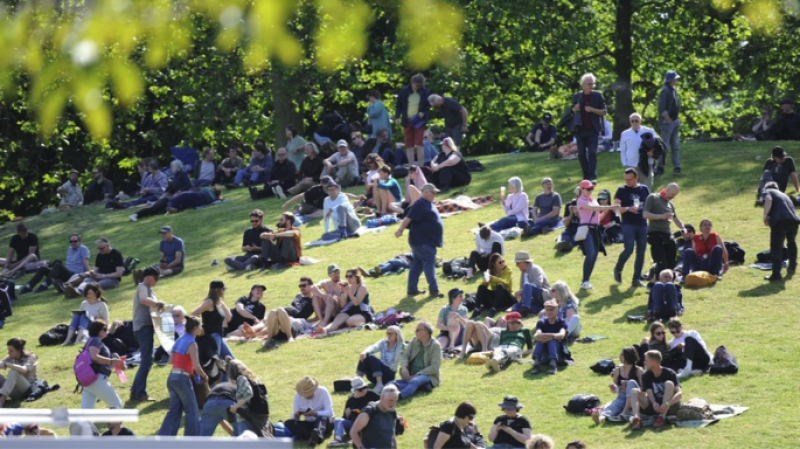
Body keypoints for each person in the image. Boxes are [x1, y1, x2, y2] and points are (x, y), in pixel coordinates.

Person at [157, 315, 207, 436]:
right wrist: (204, 376)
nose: (201, 329)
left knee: (174, 411)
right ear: (195, 328)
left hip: (172, 378)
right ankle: (192, 439)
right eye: (200, 326)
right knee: (192, 411)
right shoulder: (192, 343)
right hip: (182, 379)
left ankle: (164, 438)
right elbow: (196, 366)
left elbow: (170, 361)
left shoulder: (180, 339)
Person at [396, 183, 444, 298]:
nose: (435, 195)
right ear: (426, 192)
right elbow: (408, 218)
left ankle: (412, 289)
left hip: (421, 241)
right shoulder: (420, 204)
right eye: (433, 192)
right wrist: (400, 230)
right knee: (429, 263)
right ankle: (434, 290)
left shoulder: (426, 203)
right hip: (422, 242)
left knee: (417, 265)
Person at [130, 267, 164, 403]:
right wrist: (158, 303)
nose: (157, 281)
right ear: (149, 277)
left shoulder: (149, 290)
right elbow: (144, 300)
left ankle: (134, 391)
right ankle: (140, 393)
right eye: (156, 278)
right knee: (147, 360)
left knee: (146, 359)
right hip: (143, 327)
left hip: (147, 327)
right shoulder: (142, 287)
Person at [613, 168, 651, 287]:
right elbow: (616, 208)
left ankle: (636, 279)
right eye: (625, 179)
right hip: (628, 223)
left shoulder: (644, 189)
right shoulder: (621, 190)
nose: (627, 182)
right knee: (629, 248)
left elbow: (650, 205)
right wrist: (628, 208)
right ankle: (618, 268)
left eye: (630, 180)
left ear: (636, 177)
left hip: (642, 224)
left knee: (641, 251)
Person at [20, 233, 90, 295]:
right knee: (43, 269)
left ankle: (45, 285)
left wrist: (87, 276)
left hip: (74, 275)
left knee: (57, 265)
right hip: (67, 273)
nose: (73, 243)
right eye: (71, 241)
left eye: (75, 241)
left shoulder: (83, 249)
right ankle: (28, 287)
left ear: (80, 241)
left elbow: (86, 263)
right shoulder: (70, 248)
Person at [576, 179, 615, 290]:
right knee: (591, 253)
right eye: (588, 189)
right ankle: (585, 281)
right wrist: (610, 207)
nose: (590, 190)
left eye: (591, 188)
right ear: (582, 189)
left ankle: (586, 280)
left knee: (595, 254)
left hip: (595, 228)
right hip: (586, 228)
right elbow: (595, 208)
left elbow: (598, 217)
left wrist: (607, 210)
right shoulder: (581, 201)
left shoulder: (592, 199)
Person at [630, 350, 683, 430]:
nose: (644, 362)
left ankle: (662, 417)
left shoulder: (669, 373)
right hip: (655, 408)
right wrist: (654, 403)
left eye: (646, 360)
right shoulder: (646, 375)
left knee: (669, 383)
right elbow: (649, 393)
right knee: (634, 391)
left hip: (670, 406)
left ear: (654, 362)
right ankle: (636, 419)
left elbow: (679, 394)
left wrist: (667, 404)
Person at [389, 321, 441, 400]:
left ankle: (398, 397)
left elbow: (435, 367)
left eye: (417, 330)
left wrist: (418, 374)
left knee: (415, 382)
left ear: (426, 332)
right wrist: (404, 367)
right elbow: (405, 355)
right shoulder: (414, 341)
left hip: (427, 375)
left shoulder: (435, 346)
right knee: (392, 383)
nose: (415, 332)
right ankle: (421, 386)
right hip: (411, 375)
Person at [570, 73, 607, 181]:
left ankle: (592, 175)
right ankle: (585, 175)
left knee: (592, 153)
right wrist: (574, 108)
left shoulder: (598, 95)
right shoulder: (577, 96)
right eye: (589, 84)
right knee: (581, 154)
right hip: (580, 129)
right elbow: (572, 109)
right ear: (583, 84)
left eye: (592, 83)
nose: (591, 86)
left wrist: (592, 109)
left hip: (593, 129)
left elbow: (604, 112)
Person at [643, 182, 685, 279]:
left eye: (675, 195)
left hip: (667, 234)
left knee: (671, 258)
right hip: (654, 233)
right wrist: (662, 216)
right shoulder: (653, 198)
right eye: (673, 194)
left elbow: (675, 218)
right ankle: (657, 282)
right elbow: (645, 214)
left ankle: (668, 281)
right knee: (661, 260)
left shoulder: (670, 204)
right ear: (667, 190)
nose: (673, 197)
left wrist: (683, 228)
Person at [592, 346, 643, 425]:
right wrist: (613, 388)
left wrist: (630, 387)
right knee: (613, 406)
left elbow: (643, 389)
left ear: (628, 356)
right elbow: (615, 390)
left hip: (635, 398)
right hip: (622, 397)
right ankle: (600, 419)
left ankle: (624, 412)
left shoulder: (638, 370)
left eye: (622, 355)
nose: (619, 356)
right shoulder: (617, 370)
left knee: (631, 382)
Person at [80, 319, 124, 409]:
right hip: (97, 380)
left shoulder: (90, 341)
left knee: (85, 413)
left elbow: (98, 363)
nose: (106, 331)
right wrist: (111, 361)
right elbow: (94, 357)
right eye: (105, 329)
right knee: (117, 404)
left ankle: (81, 423)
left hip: (88, 381)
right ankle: (114, 423)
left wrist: (114, 364)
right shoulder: (96, 340)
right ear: (99, 331)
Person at [316, 269, 374, 334]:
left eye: (350, 276)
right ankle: (325, 329)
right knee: (336, 321)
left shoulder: (362, 287)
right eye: (346, 276)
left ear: (356, 277)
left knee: (349, 321)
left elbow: (356, 303)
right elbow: (343, 305)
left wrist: (348, 291)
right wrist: (343, 292)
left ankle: (349, 322)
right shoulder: (348, 287)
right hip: (349, 310)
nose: (348, 278)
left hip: (361, 311)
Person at [762, 180, 800, 281]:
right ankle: (792, 267)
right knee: (792, 243)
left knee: (776, 247)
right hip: (794, 220)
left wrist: (765, 215)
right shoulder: (784, 195)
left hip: (780, 221)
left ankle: (776, 274)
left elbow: (768, 199)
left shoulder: (769, 191)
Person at [329, 377, 380, 447]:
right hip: (353, 424)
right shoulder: (350, 401)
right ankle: (338, 440)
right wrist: (347, 415)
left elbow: (382, 403)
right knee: (338, 420)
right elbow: (344, 418)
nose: (363, 390)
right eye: (360, 389)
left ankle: (354, 440)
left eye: (365, 387)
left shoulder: (371, 395)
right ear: (354, 390)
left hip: (368, 423)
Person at [285, 376, 335, 447]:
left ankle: (318, 437)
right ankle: (311, 436)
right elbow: (294, 417)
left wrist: (315, 413)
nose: (307, 395)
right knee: (288, 423)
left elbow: (330, 412)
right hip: (309, 423)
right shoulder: (297, 396)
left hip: (324, 423)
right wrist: (296, 416)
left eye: (309, 393)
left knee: (322, 418)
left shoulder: (323, 391)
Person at [227, 359, 271, 437]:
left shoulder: (241, 378)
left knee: (244, 444)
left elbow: (248, 393)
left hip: (245, 417)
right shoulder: (252, 378)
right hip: (255, 416)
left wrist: (236, 407)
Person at [193, 280, 234, 362]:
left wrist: (222, 306)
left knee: (231, 360)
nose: (224, 292)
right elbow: (194, 313)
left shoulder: (219, 302)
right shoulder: (209, 302)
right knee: (216, 362)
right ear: (217, 290)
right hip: (211, 336)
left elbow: (229, 316)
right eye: (223, 289)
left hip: (219, 335)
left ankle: (232, 374)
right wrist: (199, 328)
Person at [356, 325, 405, 394]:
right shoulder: (383, 342)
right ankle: (358, 381)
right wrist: (364, 352)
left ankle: (379, 384)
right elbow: (374, 347)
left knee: (371, 357)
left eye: (391, 333)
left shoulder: (402, 346)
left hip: (389, 374)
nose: (388, 335)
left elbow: (410, 354)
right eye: (387, 333)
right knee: (366, 355)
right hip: (375, 374)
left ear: (397, 335)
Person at [395, 73, 431, 166]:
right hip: (407, 121)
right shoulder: (404, 91)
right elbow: (398, 105)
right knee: (408, 145)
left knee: (419, 144)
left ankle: (421, 166)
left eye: (420, 85)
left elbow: (428, 106)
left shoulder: (425, 92)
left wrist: (424, 113)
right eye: (417, 85)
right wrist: (397, 116)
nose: (418, 87)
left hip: (419, 121)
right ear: (412, 82)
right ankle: (412, 167)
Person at [348, 385, 400, 449]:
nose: (393, 404)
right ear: (382, 397)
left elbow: (392, 434)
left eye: (395, 400)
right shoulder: (370, 411)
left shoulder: (392, 412)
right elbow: (353, 432)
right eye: (390, 400)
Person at [472, 253, 515, 319]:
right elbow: (483, 286)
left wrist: (493, 279)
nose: (502, 263)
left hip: (506, 298)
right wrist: (486, 281)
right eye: (500, 262)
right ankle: (477, 309)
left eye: (503, 261)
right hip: (496, 297)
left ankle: (493, 309)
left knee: (500, 286)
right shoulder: (491, 272)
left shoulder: (508, 271)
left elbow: (506, 283)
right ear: (494, 264)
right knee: (481, 287)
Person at [619, 113, 657, 186]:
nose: (634, 123)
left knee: (646, 186)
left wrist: (653, 152)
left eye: (636, 121)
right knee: (631, 186)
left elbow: (657, 145)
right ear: (630, 122)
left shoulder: (649, 131)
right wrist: (625, 164)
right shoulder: (625, 134)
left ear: (640, 121)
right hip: (631, 164)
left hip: (646, 163)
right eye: (632, 121)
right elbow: (623, 150)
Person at [530, 300, 566, 375]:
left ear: (557, 310)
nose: (549, 312)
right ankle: (536, 364)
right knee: (540, 340)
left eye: (552, 309)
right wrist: (541, 336)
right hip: (544, 355)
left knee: (552, 340)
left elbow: (562, 335)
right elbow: (536, 334)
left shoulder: (561, 322)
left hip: (558, 353)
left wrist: (551, 336)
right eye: (547, 310)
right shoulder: (541, 322)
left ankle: (553, 365)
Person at [0, 338, 38, 408]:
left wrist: (8, 364)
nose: (9, 353)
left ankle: (1, 400)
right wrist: (3, 363)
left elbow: (24, 370)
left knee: (14, 372)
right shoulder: (11, 356)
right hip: (14, 391)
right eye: (8, 350)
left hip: (27, 390)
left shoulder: (31, 357)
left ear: (19, 350)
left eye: (11, 351)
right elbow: (2, 363)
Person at [511, 251, 551, 316]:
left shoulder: (536, 269)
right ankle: (540, 310)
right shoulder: (523, 273)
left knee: (526, 285)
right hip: (533, 300)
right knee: (515, 306)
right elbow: (525, 292)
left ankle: (525, 308)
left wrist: (521, 291)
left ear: (524, 262)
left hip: (543, 296)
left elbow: (538, 284)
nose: (516, 266)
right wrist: (519, 297)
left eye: (517, 263)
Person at [658, 70, 682, 175]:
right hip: (668, 122)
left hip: (675, 121)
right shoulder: (665, 91)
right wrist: (667, 118)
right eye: (675, 78)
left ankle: (677, 166)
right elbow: (661, 107)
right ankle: (660, 167)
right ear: (671, 80)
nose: (676, 80)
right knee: (665, 146)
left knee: (675, 146)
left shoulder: (673, 90)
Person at [436, 288, 469, 353]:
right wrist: (449, 328)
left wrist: (458, 317)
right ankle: (447, 348)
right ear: (453, 298)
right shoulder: (444, 309)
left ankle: (452, 344)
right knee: (438, 345)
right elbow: (438, 325)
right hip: (447, 333)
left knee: (453, 317)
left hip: (460, 334)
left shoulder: (464, 309)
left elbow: (466, 324)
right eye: (460, 296)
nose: (462, 298)